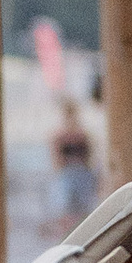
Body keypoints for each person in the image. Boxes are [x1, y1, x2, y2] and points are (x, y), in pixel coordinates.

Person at [46, 98, 96, 228]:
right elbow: (56, 157)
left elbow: (90, 155)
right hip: (68, 173)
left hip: (81, 173)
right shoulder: (59, 135)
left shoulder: (83, 134)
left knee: (83, 206)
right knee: (67, 205)